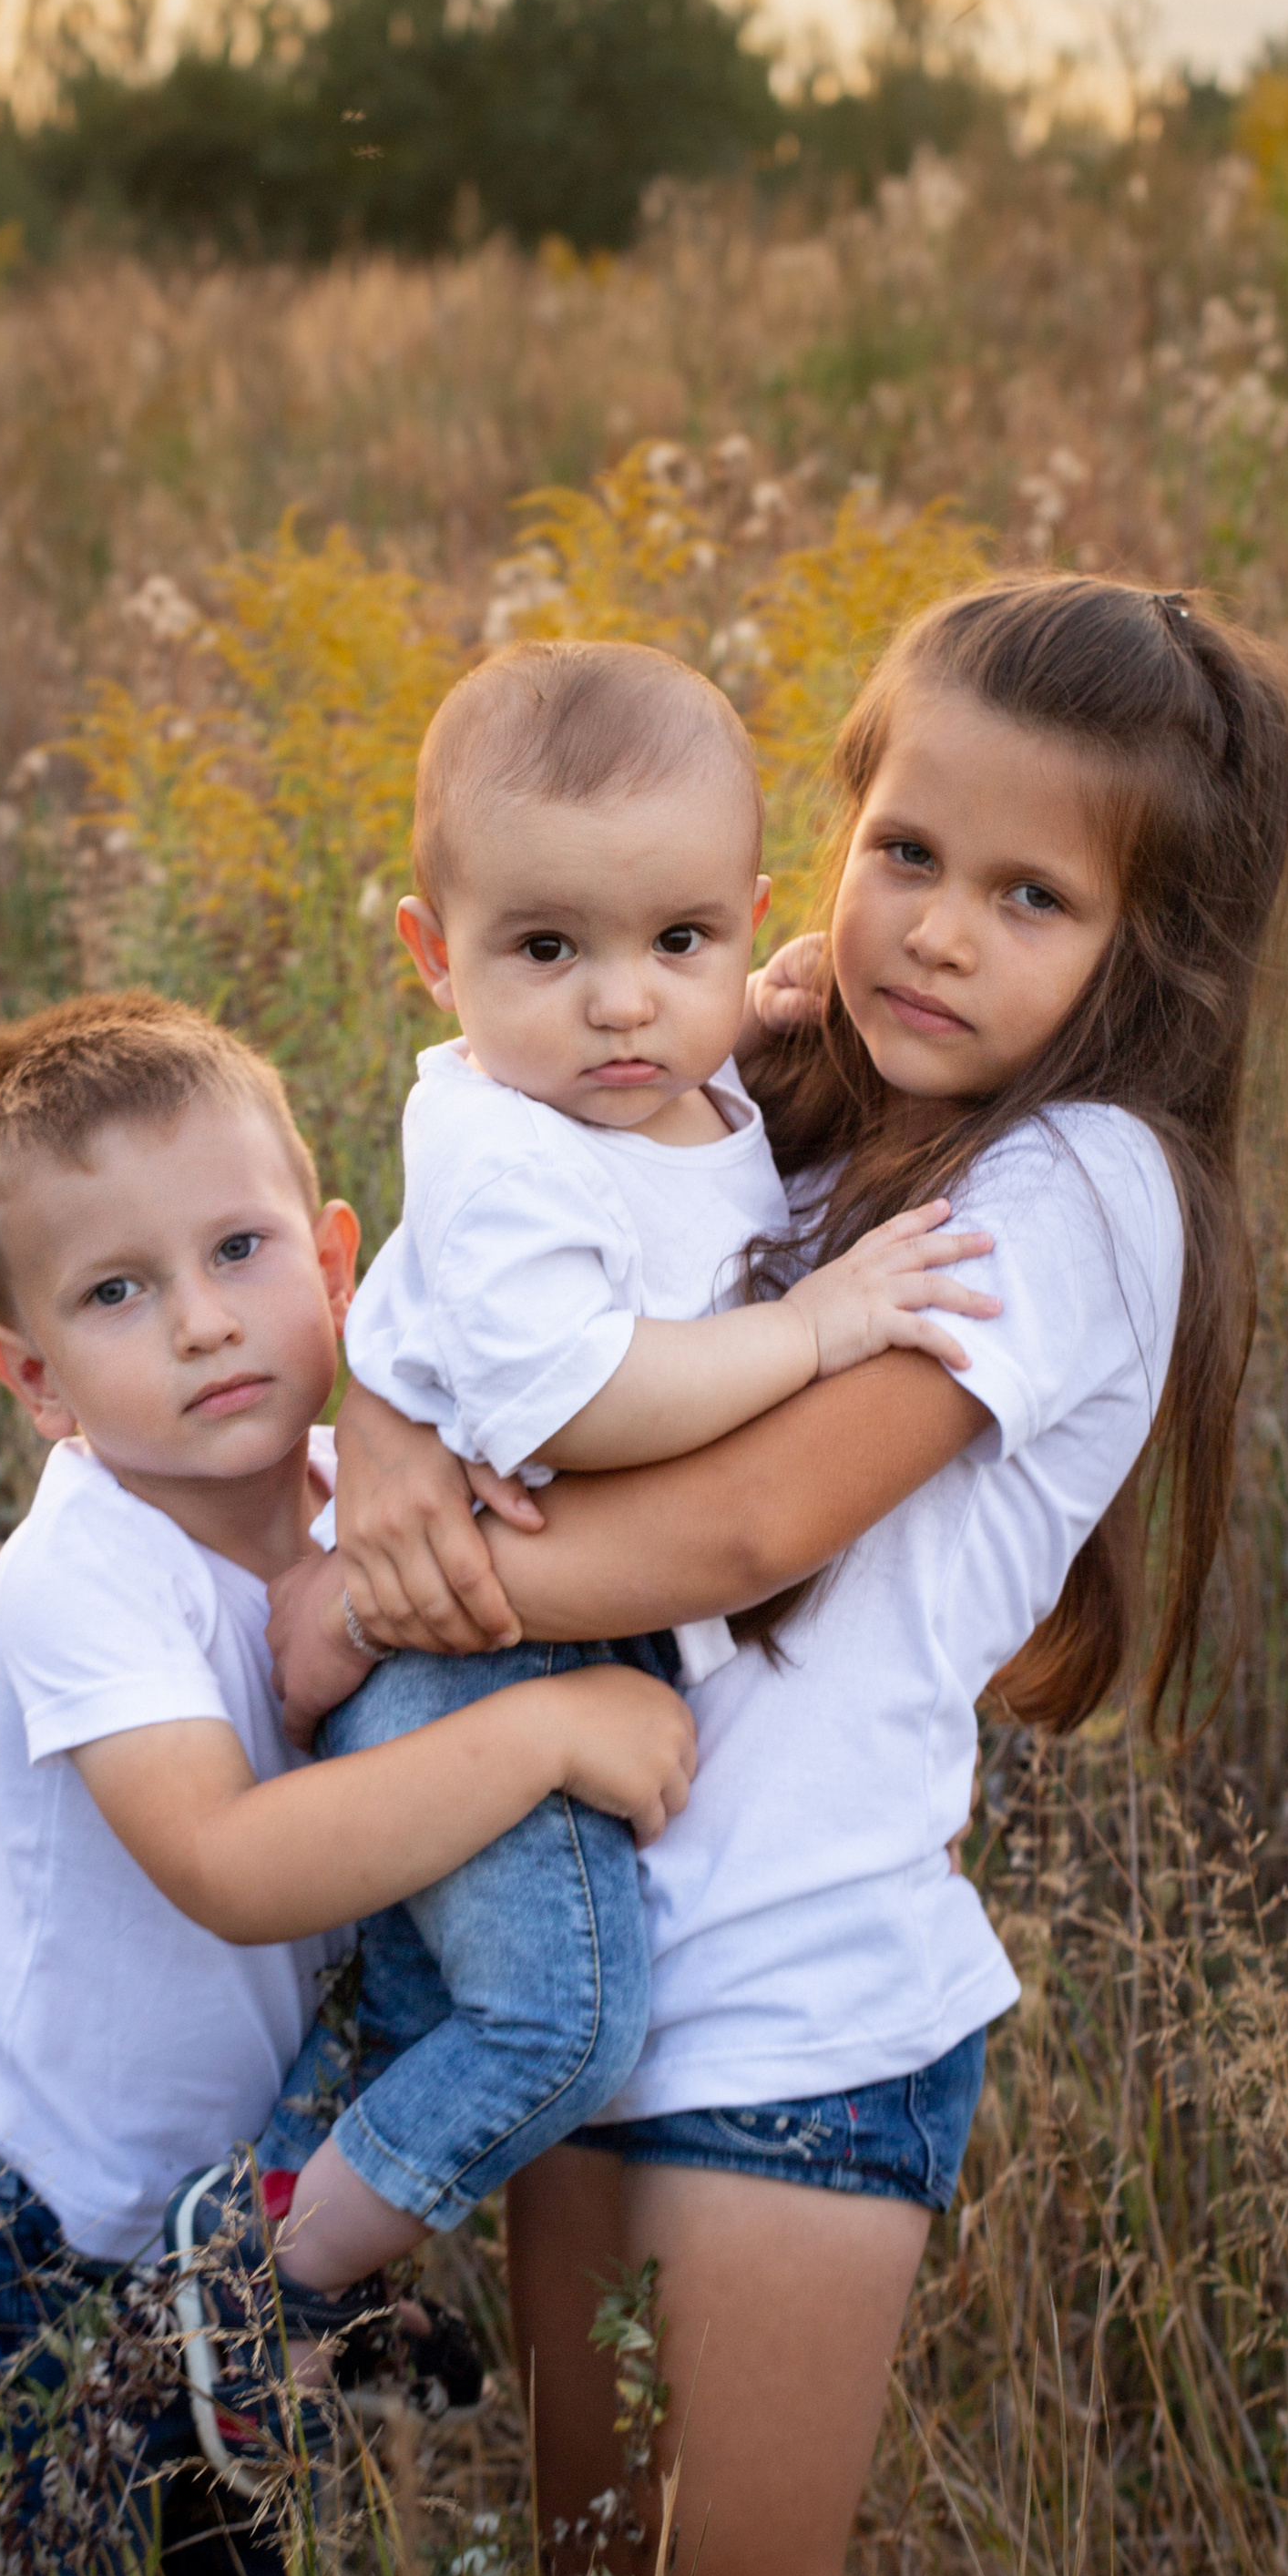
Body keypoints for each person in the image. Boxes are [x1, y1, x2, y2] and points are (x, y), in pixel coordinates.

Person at [275, 576, 1288, 2576]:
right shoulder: (767, 1087)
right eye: (904, 850)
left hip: (803, 2016)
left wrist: (389, 1572)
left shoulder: (1079, 1186)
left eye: (1034, 894)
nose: (939, 926)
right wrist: (389, 1423)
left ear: (1149, 951)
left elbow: (748, 1511)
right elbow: (478, 1253)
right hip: (594, 1973)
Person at [0, 987, 693, 2576]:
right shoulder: (82, 1579)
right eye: (113, 1296)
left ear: (333, 1258)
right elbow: (238, 1867)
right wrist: (549, 1734)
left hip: (237, 2227)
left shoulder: (345, 1496)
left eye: (239, 1251)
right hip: (38, 2216)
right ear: (33, 1381)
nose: (198, 1320)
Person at [171, 638, 993, 2400]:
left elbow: (701, 1127)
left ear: (748, 918)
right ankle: (261, 2294)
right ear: (431, 954)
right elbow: (581, 1400)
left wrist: (770, 1005)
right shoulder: (503, 1150)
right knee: (564, 2019)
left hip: (515, 1617)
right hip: (468, 1663)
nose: (624, 1004)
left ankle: (289, 2211)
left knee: (403, 2000)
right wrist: (825, 1326)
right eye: (548, 952)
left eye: (676, 942)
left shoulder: (667, 1083)